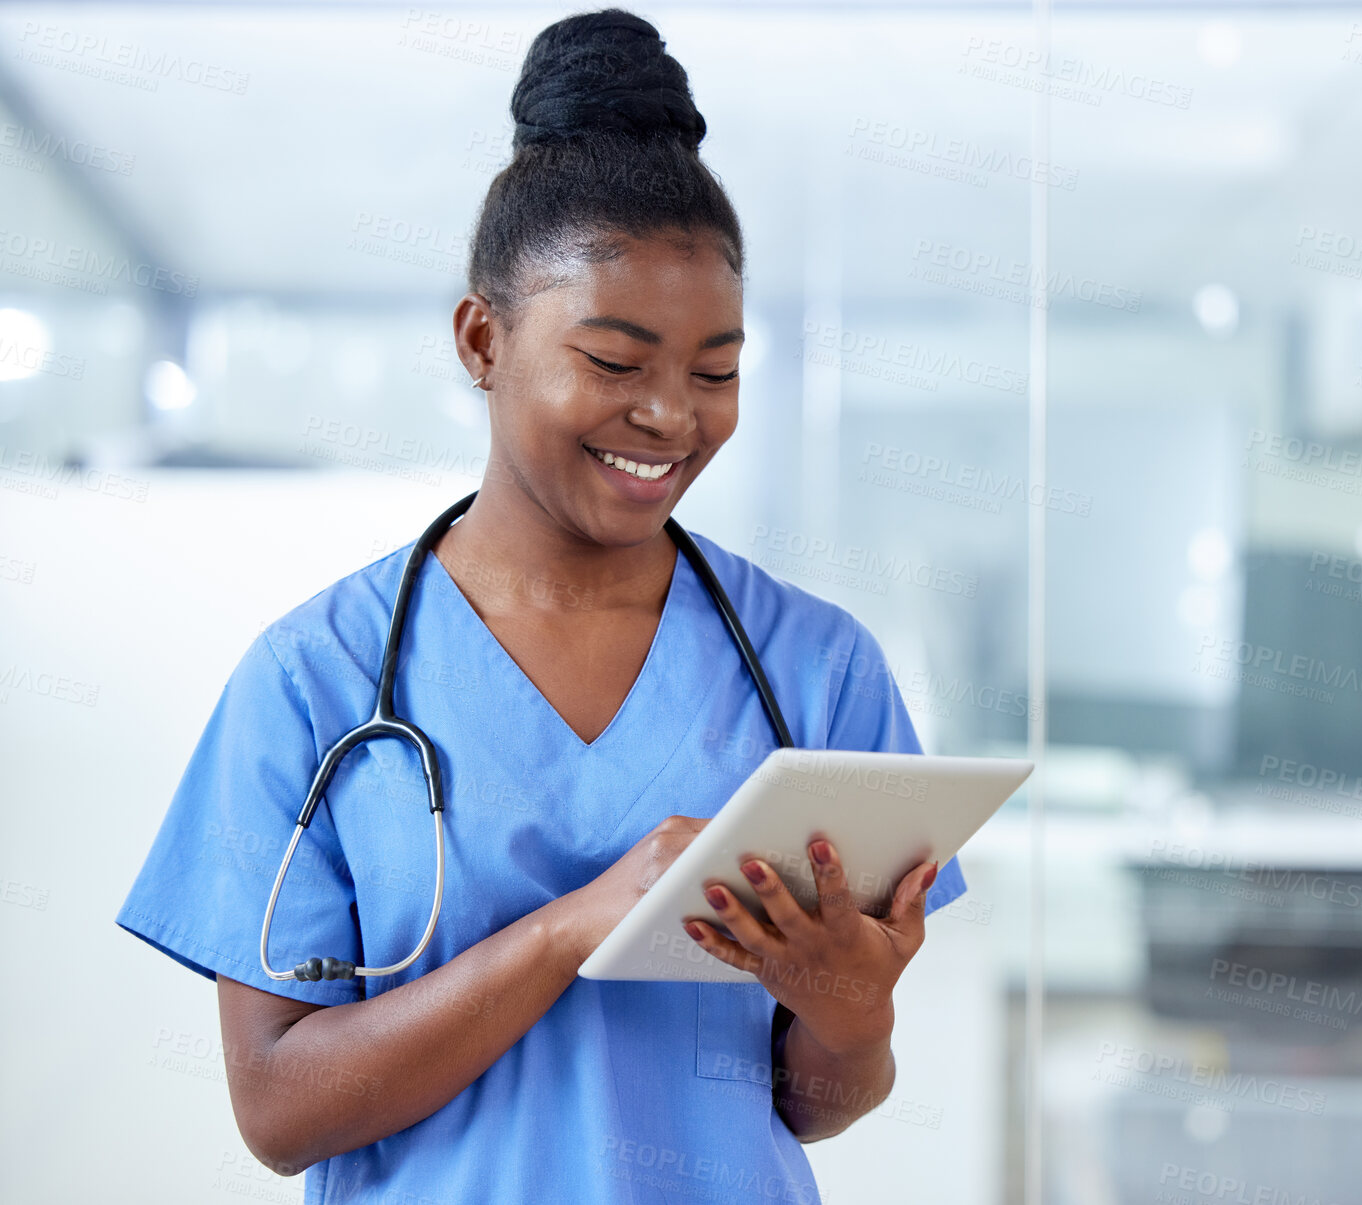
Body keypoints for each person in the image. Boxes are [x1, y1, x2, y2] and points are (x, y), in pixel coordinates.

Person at [115, 8, 968, 1203]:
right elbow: (278, 1106)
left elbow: (815, 1103)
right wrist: (572, 928)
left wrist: (850, 1012)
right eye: (614, 363)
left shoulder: (817, 670)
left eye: (714, 371)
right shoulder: (315, 678)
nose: (671, 415)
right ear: (482, 338)